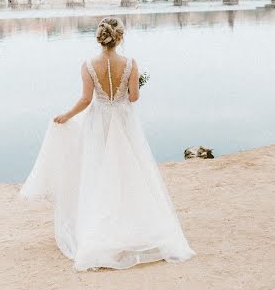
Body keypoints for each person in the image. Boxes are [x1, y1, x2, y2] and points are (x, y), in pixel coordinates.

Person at [20, 17, 195, 271]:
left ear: (100, 38)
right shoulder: (131, 64)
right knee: (129, 170)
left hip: (98, 123)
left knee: (99, 171)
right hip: (124, 123)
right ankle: (134, 223)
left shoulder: (89, 65)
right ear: (120, 37)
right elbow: (133, 98)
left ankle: (99, 228)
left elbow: (85, 100)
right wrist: (133, 86)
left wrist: (66, 116)